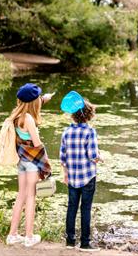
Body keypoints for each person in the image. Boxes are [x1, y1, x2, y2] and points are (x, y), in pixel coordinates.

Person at [6, 83, 53, 247]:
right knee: (31, 197)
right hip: (32, 164)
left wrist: (44, 99)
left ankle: (12, 235)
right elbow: (37, 144)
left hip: (22, 162)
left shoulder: (17, 115)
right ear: (34, 102)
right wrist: (47, 164)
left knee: (21, 196)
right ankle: (29, 236)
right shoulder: (29, 119)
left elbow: (31, 103)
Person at [60, 92, 102, 252]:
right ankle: (85, 243)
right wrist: (100, 157)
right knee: (85, 208)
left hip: (72, 177)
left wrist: (65, 174)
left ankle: (70, 241)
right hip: (87, 177)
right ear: (89, 115)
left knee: (71, 208)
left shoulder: (66, 132)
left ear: (73, 115)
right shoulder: (90, 132)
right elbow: (92, 156)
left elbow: (62, 157)